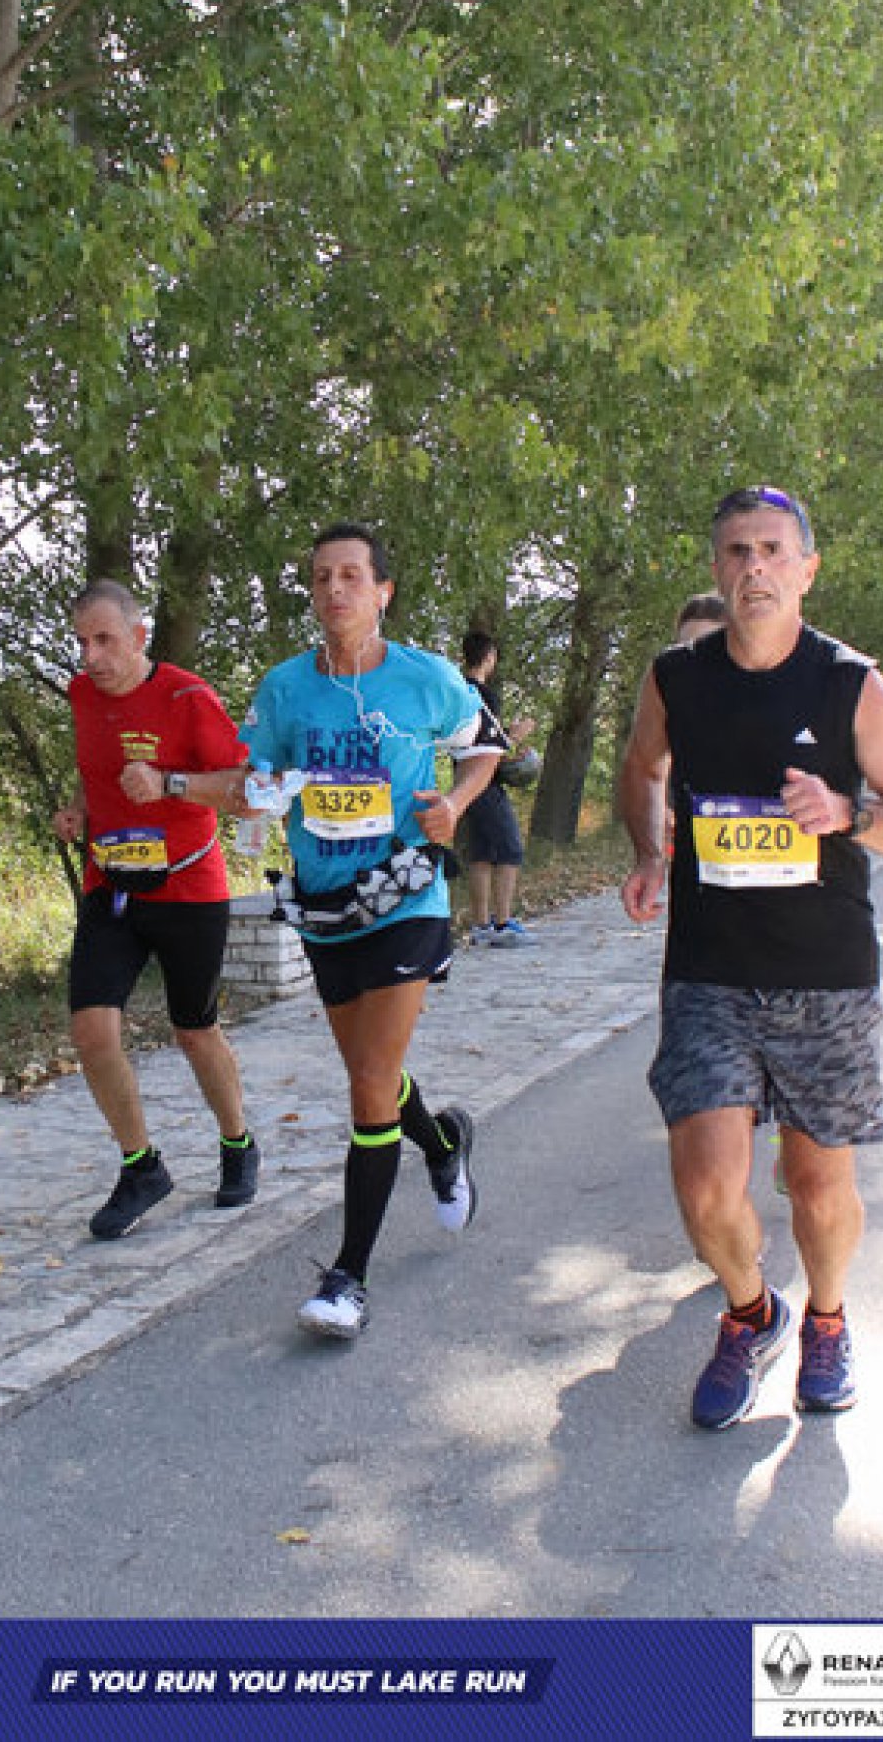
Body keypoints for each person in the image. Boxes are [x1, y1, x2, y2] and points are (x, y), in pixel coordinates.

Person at [619, 485, 883, 1429]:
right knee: (706, 1188)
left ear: (806, 569)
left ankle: (828, 1321)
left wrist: (849, 814)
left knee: (816, 1185)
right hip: (709, 970)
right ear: (717, 570)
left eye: (772, 550)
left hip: (824, 975)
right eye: (736, 551)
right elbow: (642, 768)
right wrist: (648, 852)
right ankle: (751, 1313)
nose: (753, 567)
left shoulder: (849, 683)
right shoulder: (676, 679)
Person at [204, 523, 505, 1340]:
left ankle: (348, 1280)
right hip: (325, 904)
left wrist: (455, 805)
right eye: (321, 578)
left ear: (382, 592)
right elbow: (254, 779)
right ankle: (442, 1144)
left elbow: (487, 751)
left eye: (350, 576)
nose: (334, 589)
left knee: (369, 1082)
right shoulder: (285, 688)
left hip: (406, 894)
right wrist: (209, 789)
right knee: (376, 1076)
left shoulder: (427, 678)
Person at [52, 579, 259, 1239]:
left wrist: (171, 783)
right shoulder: (81, 694)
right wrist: (79, 811)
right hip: (111, 885)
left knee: (194, 1030)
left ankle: (237, 1142)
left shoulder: (187, 697)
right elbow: (96, 771)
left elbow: (245, 790)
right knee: (92, 1031)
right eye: (82, 642)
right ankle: (141, 1167)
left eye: (104, 640)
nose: (91, 656)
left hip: (187, 886)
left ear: (139, 637)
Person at [460, 631, 537, 946]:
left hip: (464, 782)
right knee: (510, 849)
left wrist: (505, 751)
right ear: (489, 657)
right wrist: (514, 736)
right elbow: (486, 744)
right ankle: (503, 924)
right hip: (484, 784)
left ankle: (481, 927)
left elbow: (469, 742)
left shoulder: (459, 691)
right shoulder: (484, 695)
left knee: (481, 853)